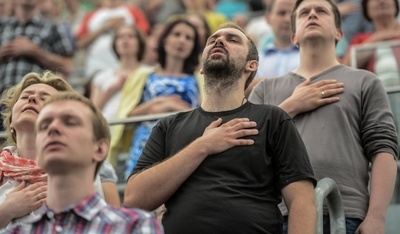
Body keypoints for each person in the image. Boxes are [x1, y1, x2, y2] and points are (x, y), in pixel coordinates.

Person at [123, 22, 317, 233]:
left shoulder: (272, 118)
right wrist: (203, 146)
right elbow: (134, 200)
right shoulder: (168, 126)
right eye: (212, 40)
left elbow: (301, 200)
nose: (219, 41)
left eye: (232, 40)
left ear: (251, 65)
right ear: (202, 68)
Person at [249, 0, 399, 233]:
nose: (312, 15)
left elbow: (383, 149)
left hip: (346, 214)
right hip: (276, 218)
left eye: (321, 11)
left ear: (339, 32)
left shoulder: (366, 82)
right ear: (294, 36)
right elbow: (248, 149)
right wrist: (291, 106)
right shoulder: (266, 89)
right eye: (305, 13)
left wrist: (376, 218)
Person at [2, 92, 163, 233]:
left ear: (100, 148)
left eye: (70, 122)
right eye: (44, 126)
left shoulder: (135, 227)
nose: (53, 128)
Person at [108, 18, 204, 174]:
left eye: (188, 38)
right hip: (145, 144)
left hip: (185, 145)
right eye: (177, 34)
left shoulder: (200, 78)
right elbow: (127, 115)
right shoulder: (142, 75)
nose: (182, 41)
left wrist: (180, 108)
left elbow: (206, 115)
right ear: (165, 40)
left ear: (193, 46)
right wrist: (157, 104)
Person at [0, 71, 74, 229]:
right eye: (26, 96)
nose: (32, 99)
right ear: (11, 121)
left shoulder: (79, 170)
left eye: (44, 99)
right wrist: (6, 211)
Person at [0, 0, 74, 98]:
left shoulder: (52, 27)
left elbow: (68, 66)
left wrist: (35, 52)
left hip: (34, 98)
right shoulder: (2, 26)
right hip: (3, 97)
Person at [75, 0, 150, 79]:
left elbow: (143, 37)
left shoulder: (133, 12)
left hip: (128, 71)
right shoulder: (92, 14)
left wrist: (122, 29)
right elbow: (80, 44)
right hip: (96, 70)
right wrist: (105, 27)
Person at [343, 0, 400, 86]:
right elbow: (347, 67)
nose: (381, 0)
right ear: (367, 11)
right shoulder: (360, 39)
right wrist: (381, 37)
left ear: (396, 7)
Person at [90, 24, 148, 122]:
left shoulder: (149, 73)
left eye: (131, 36)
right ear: (115, 44)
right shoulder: (101, 76)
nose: (125, 40)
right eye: (120, 37)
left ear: (139, 43)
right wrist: (110, 90)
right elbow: (92, 113)